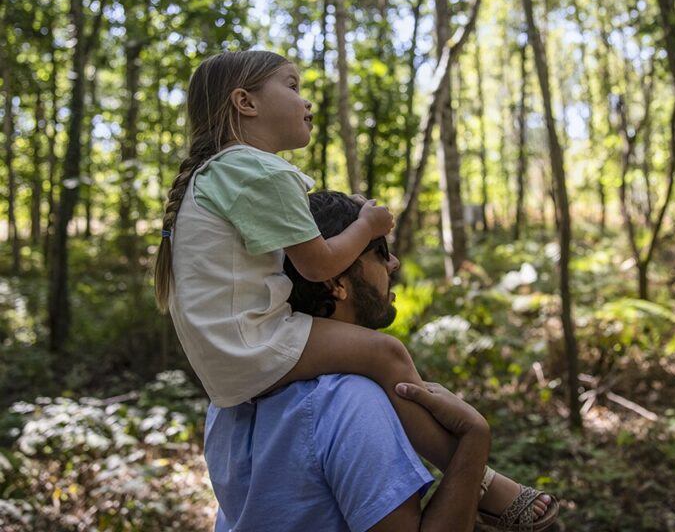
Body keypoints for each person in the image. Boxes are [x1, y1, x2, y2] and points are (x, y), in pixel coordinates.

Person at [155, 50, 557, 530]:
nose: (306, 101)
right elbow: (318, 261)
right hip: (252, 342)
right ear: (245, 102)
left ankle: (480, 482)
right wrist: (367, 226)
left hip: (223, 365)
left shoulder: (217, 174)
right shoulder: (256, 170)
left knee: (381, 356)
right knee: (385, 354)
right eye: (292, 85)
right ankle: (482, 481)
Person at [206, 190, 558, 531]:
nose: (394, 263)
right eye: (379, 251)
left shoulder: (230, 399)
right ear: (335, 281)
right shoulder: (350, 400)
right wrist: (473, 441)